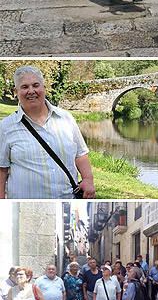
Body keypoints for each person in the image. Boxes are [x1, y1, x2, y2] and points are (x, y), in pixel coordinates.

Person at [0, 64, 95, 199]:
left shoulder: (65, 118)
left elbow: (80, 154)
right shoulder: (5, 127)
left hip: (67, 199)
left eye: (35, 85)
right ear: (16, 92)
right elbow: (1, 170)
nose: (31, 91)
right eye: (25, 87)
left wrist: (88, 179)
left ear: (44, 88)